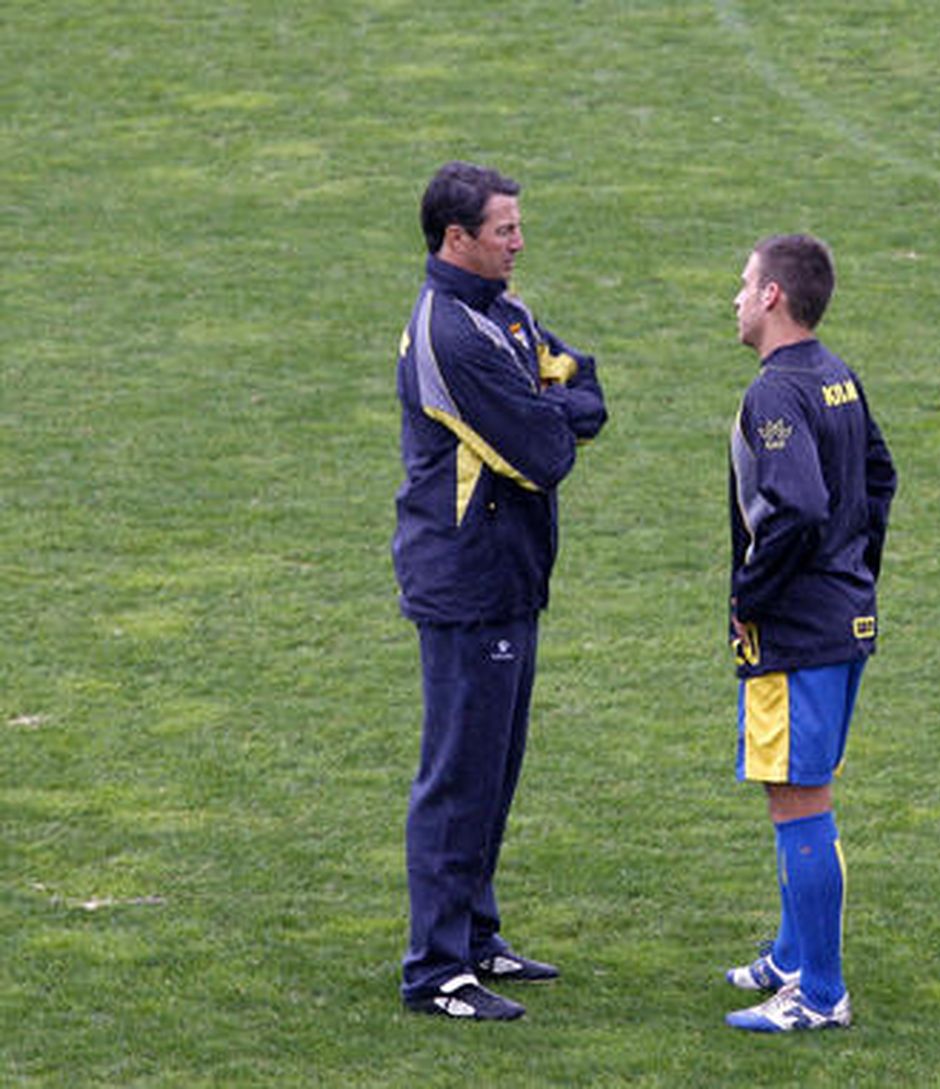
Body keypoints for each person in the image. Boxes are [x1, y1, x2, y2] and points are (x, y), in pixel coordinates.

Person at [391, 161, 607, 1021]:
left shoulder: (504, 313)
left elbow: (583, 381)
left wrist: (552, 404)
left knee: (496, 767)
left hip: (511, 574)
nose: (519, 242)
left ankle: (476, 936)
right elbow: (546, 452)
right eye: (504, 231)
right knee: (458, 775)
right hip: (466, 584)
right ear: (458, 239)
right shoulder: (452, 334)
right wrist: (550, 410)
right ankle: (435, 969)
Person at [721, 234, 897, 1032]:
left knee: (800, 798)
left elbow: (797, 509)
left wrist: (749, 595)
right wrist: (857, 573)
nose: (735, 296)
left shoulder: (775, 394)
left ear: (773, 297)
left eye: (744, 282)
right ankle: (793, 955)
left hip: (797, 627)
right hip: (840, 614)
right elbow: (879, 479)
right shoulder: (838, 377)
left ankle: (819, 992)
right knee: (794, 788)